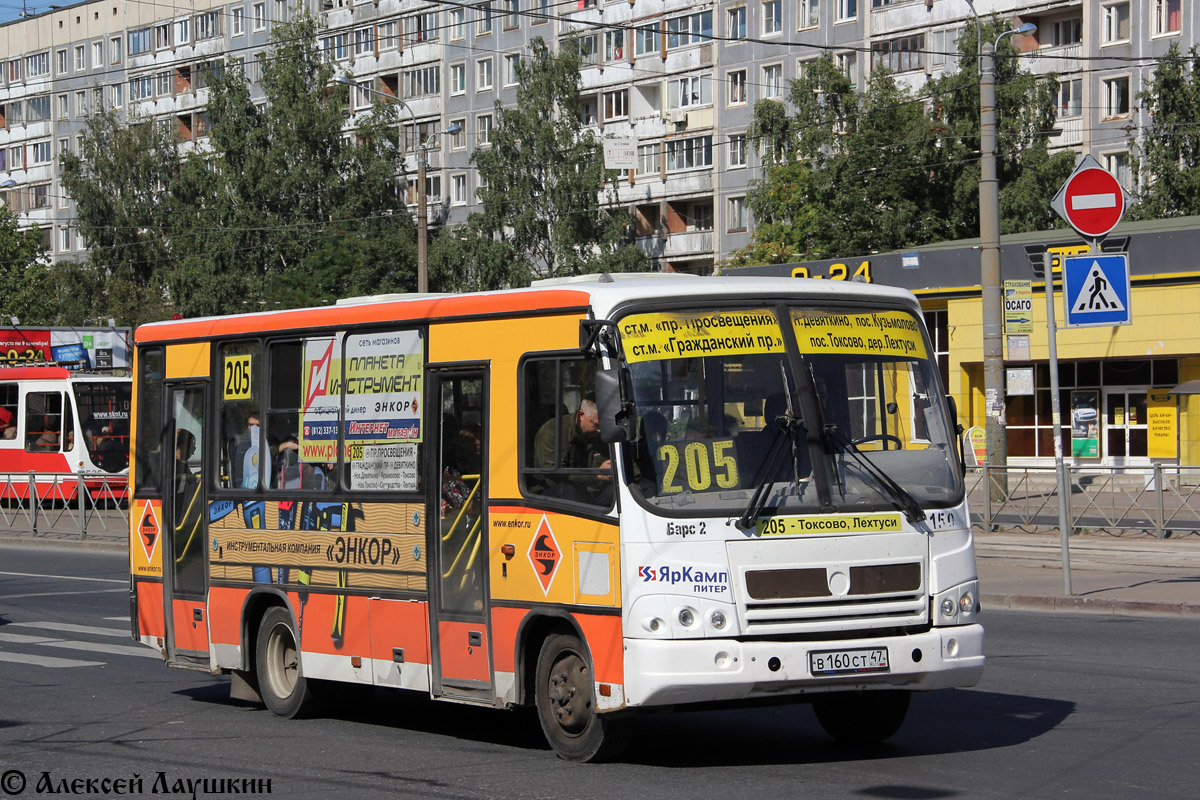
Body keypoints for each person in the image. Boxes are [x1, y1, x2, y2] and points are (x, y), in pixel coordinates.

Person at [532, 397, 611, 503]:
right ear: (581, 415)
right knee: (566, 490)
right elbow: (554, 474)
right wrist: (596, 475)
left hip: (585, 490)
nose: (599, 430)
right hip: (550, 492)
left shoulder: (595, 435)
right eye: (596, 425)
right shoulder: (552, 432)